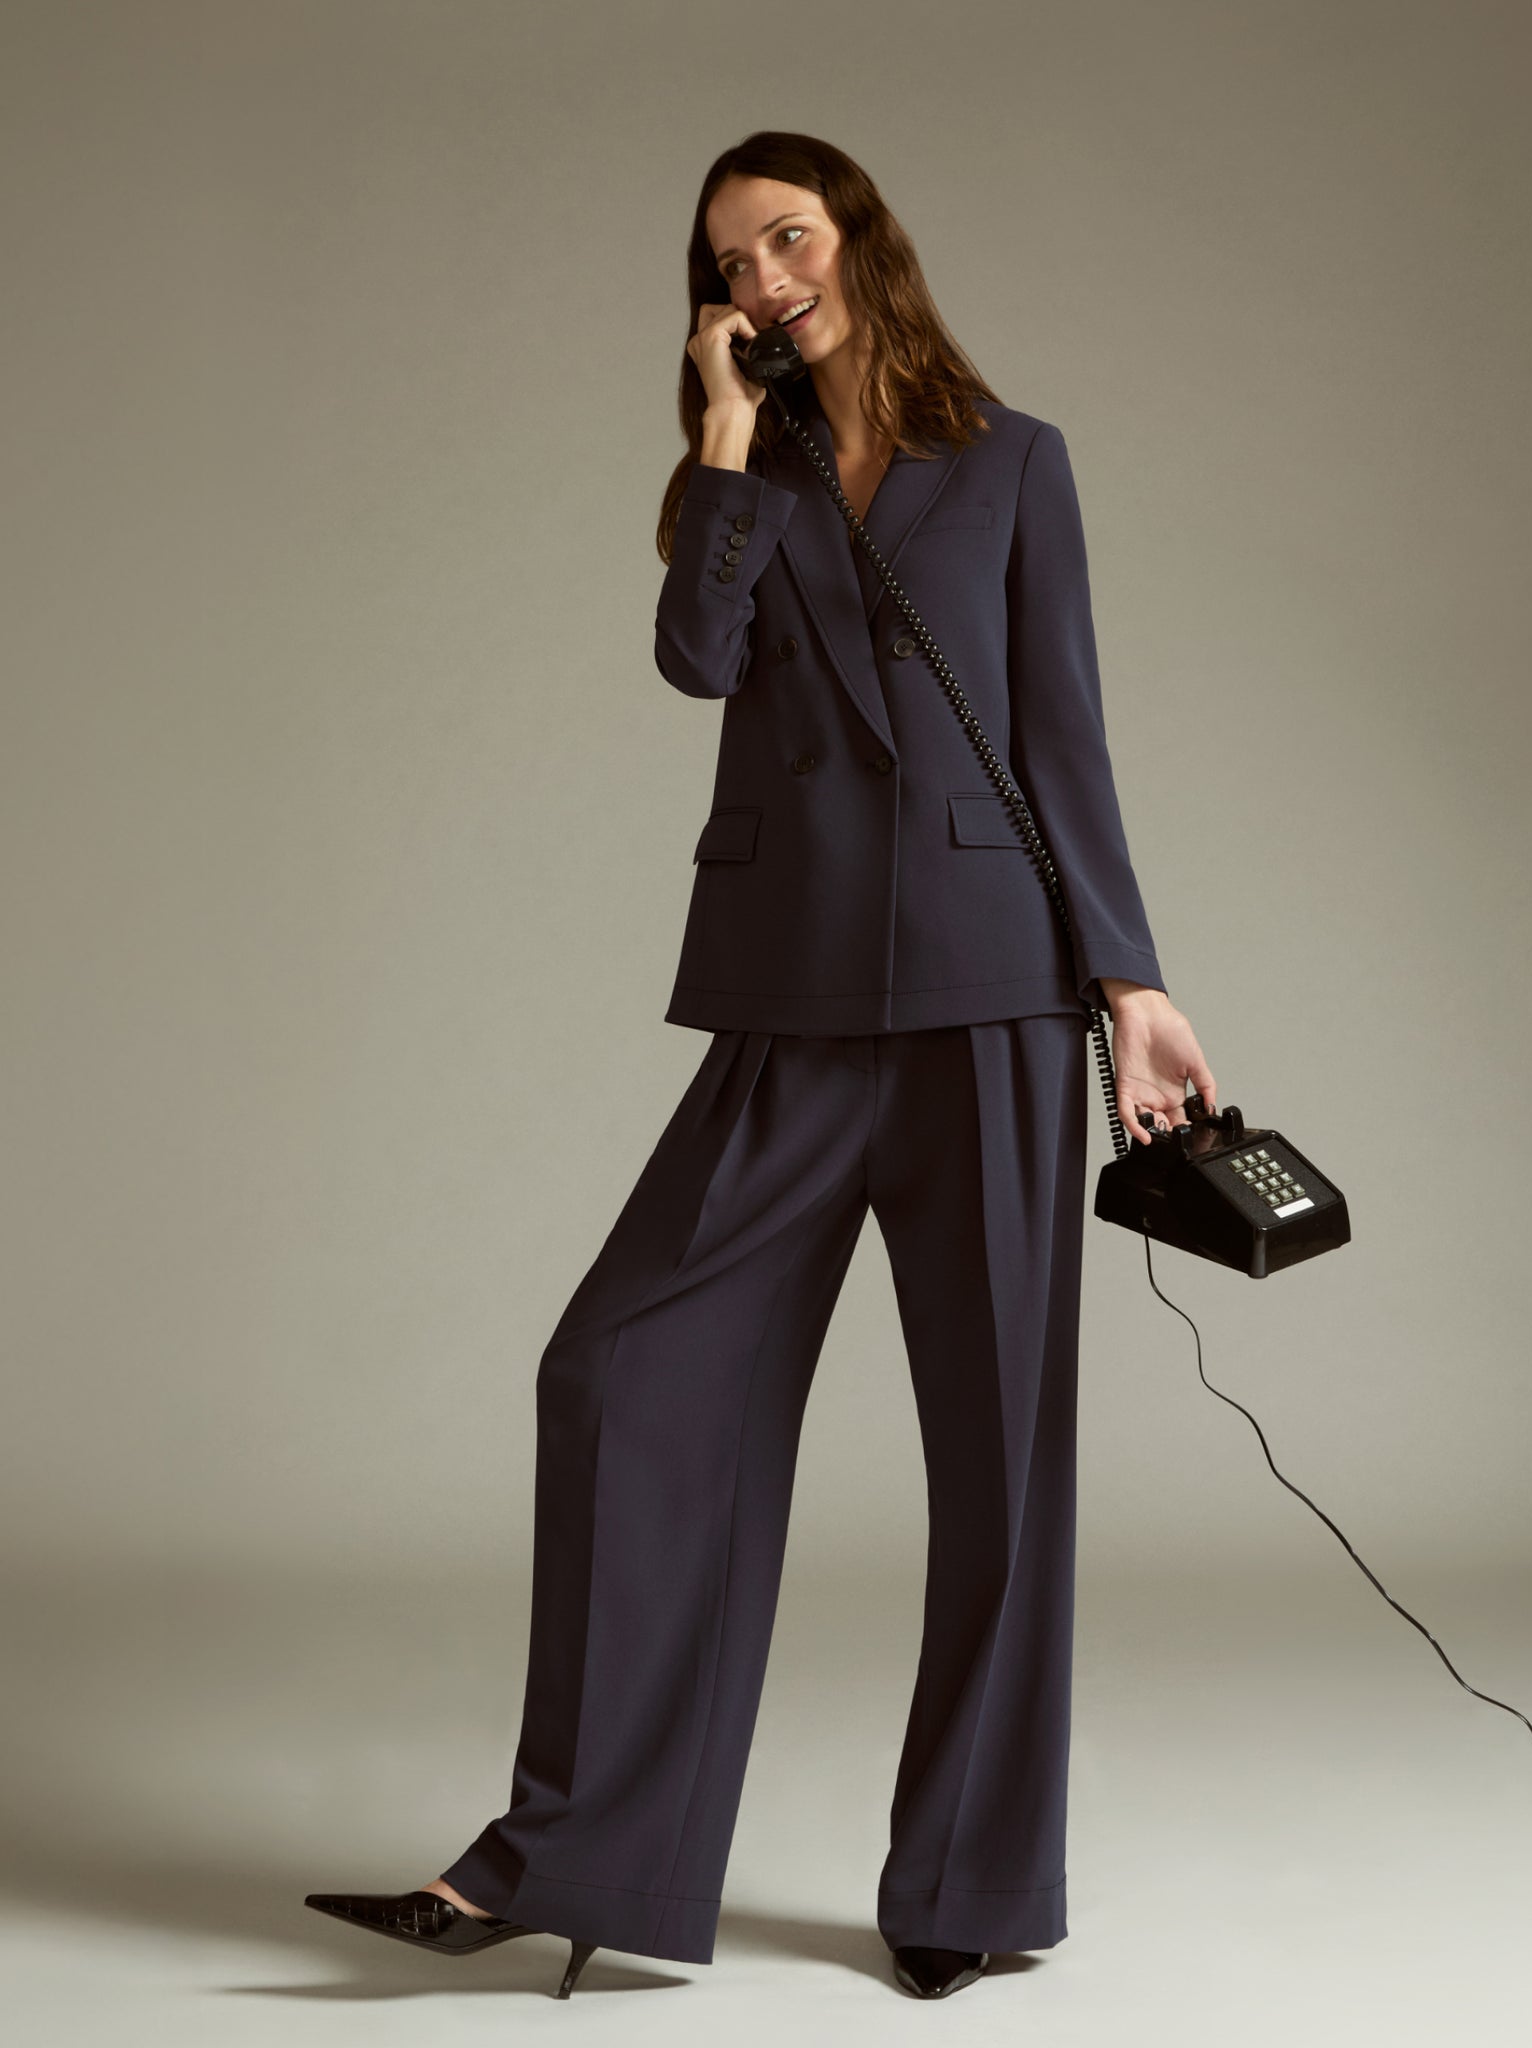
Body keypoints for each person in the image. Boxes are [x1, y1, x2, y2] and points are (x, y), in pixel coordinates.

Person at [306, 130, 1216, 2004]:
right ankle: (586, 1857)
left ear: (859, 241)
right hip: (795, 999)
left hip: (988, 998)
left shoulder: (1012, 462)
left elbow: (1069, 737)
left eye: (788, 240)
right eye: (728, 264)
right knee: (624, 1375)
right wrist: (722, 437)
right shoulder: (740, 471)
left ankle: (969, 1883)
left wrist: (1128, 982)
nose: (765, 279)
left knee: (1002, 1456)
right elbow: (692, 666)